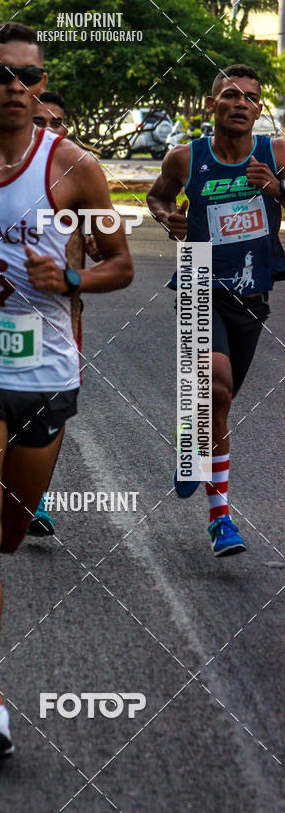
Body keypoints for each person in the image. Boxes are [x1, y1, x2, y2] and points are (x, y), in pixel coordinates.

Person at [0, 21, 133, 760]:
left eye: (30, 77)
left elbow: (120, 263)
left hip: (46, 373)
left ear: (42, 87)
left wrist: (70, 277)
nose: (18, 87)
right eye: (2, 74)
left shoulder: (74, 169)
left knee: (8, 532)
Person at [147, 63, 285, 557]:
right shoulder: (186, 157)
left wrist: (277, 190)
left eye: (250, 96)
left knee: (218, 405)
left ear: (259, 108)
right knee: (217, 385)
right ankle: (220, 518)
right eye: (230, 94)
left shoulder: (277, 154)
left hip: (252, 293)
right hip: (198, 281)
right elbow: (157, 197)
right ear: (212, 105)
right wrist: (169, 217)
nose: (240, 103)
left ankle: (192, 437)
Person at [28, 91, 101, 537]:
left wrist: (94, 243)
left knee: (52, 406)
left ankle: (36, 495)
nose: (48, 129)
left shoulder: (80, 173)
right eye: (39, 121)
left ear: (66, 128)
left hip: (62, 313)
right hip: (5, 310)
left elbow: (107, 248)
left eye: (55, 122)